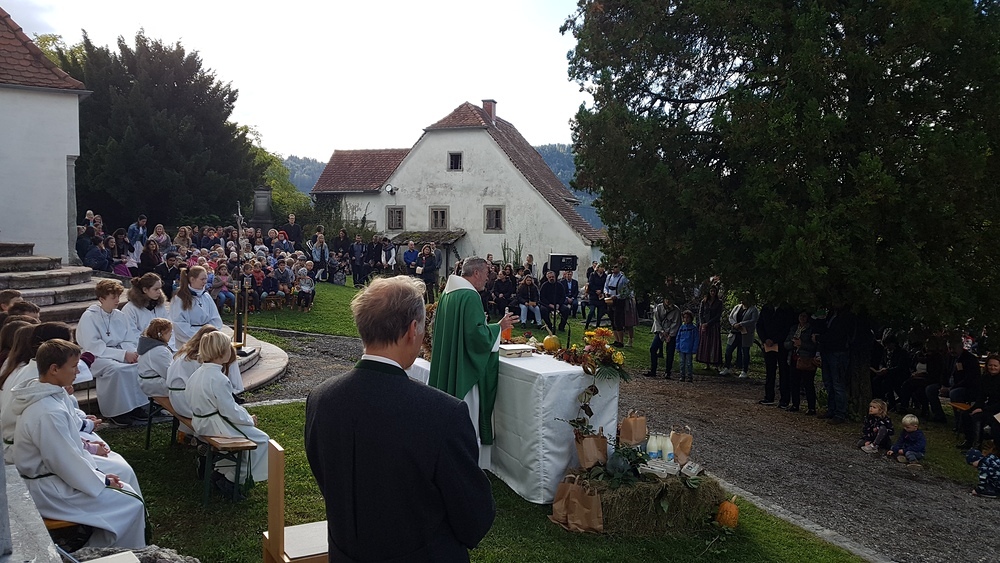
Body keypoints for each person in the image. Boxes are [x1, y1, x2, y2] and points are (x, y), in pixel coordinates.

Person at [305, 276, 496, 561]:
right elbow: (474, 517)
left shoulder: (321, 398)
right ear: (412, 330)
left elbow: (328, 477)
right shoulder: (443, 413)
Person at [10, 339, 147, 548]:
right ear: (54, 369)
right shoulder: (47, 412)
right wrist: (101, 480)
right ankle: (107, 553)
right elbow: (64, 461)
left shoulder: (50, 397)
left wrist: (99, 475)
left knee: (125, 494)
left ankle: (105, 546)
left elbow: (69, 451)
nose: (78, 371)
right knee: (130, 504)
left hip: (55, 479)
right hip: (48, 490)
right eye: (74, 366)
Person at [429, 257, 517, 468]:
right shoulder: (470, 296)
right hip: (464, 368)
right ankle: (467, 463)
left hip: (452, 360)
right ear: (476, 273)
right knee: (468, 414)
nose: (488, 279)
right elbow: (477, 337)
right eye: (486, 274)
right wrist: (499, 327)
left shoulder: (448, 293)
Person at [186, 332, 267, 495]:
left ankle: (221, 472)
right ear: (221, 352)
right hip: (215, 424)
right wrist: (249, 419)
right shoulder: (219, 379)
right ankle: (232, 478)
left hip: (201, 422)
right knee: (262, 440)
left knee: (250, 438)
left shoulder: (197, 374)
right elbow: (229, 411)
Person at [76, 280, 149, 427]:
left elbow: (129, 338)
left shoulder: (120, 316)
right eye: (113, 297)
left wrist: (131, 353)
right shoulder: (89, 316)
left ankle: (135, 406)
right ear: (101, 299)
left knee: (137, 366)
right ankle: (117, 412)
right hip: (96, 357)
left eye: (118, 296)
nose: (117, 300)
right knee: (117, 370)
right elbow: (93, 346)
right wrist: (122, 355)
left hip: (119, 351)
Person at [814, 304, 855, 425]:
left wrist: (820, 338)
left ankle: (840, 413)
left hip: (838, 352)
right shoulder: (831, 314)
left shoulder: (846, 317)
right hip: (827, 350)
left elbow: (836, 335)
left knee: (838, 384)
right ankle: (831, 409)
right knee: (828, 383)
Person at [170, 266, 224, 348]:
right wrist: (199, 337)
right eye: (202, 279)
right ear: (192, 279)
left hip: (208, 340)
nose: (205, 282)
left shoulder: (206, 296)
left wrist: (209, 334)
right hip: (189, 343)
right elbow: (178, 325)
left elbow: (216, 319)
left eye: (206, 279)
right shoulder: (180, 298)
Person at [957, 353, 1000, 450]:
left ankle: (976, 445)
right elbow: (981, 396)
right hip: (988, 406)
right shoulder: (985, 378)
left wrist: (983, 409)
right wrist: (976, 407)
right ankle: (969, 440)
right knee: (966, 414)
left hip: (997, 410)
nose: (992, 367)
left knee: (979, 417)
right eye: (990, 365)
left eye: (995, 365)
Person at [756, 304, 795, 406]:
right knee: (770, 371)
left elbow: (787, 328)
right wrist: (765, 339)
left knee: (784, 372)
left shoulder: (786, 309)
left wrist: (775, 339)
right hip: (768, 344)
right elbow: (759, 325)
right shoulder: (766, 308)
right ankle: (769, 396)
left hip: (781, 345)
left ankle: (784, 399)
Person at [785, 311, 819, 415]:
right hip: (794, 358)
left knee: (808, 383)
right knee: (794, 382)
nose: (802, 318)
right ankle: (795, 404)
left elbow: (814, 346)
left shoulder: (811, 329)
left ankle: (811, 407)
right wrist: (792, 344)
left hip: (806, 359)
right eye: (801, 316)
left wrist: (802, 344)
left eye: (804, 316)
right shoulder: (794, 328)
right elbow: (786, 343)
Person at [122, 273, 169, 343]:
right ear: (145, 290)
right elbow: (131, 333)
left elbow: (168, 328)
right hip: (138, 345)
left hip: (161, 344)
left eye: (160, 288)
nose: (159, 292)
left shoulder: (160, 306)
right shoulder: (130, 308)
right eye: (156, 289)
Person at [720, 294, 759, 378]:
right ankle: (727, 367)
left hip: (745, 334)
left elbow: (753, 320)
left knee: (745, 352)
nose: (742, 300)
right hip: (735, 332)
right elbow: (731, 317)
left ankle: (744, 370)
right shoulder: (737, 307)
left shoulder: (753, 309)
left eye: (744, 298)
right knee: (728, 350)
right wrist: (734, 324)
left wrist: (741, 324)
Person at [137, 318, 173, 398]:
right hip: (156, 385)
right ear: (161, 334)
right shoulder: (159, 351)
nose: (171, 335)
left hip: (148, 383)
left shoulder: (148, 345)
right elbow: (168, 373)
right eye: (169, 332)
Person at [646, 296, 680, 379]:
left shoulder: (676, 310)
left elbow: (676, 323)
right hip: (661, 332)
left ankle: (668, 372)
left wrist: (670, 335)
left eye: (669, 299)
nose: (668, 301)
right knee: (653, 348)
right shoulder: (659, 307)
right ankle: (653, 370)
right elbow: (657, 320)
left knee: (670, 352)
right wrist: (662, 331)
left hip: (670, 333)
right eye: (666, 299)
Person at [696, 285, 723, 368]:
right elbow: (700, 313)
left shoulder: (719, 302)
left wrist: (709, 323)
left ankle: (715, 363)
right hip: (704, 325)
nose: (712, 293)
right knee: (705, 344)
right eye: (711, 291)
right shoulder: (704, 301)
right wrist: (702, 323)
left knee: (714, 344)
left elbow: (718, 315)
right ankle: (706, 363)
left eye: (714, 291)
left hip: (714, 325)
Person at [603, 263, 629, 347]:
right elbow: (605, 287)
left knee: (618, 320)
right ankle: (616, 340)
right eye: (612, 267)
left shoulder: (623, 278)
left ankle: (621, 341)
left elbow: (626, 292)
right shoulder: (609, 277)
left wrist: (617, 296)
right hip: (610, 300)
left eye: (615, 267)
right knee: (612, 319)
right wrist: (606, 293)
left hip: (619, 301)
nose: (613, 268)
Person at [675, 310, 699, 383]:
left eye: (688, 317)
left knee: (689, 363)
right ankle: (682, 375)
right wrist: (677, 347)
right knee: (682, 362)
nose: (686, 319)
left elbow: (696, 339)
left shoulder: (693, 328)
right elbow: (678, 338)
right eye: (684, 317)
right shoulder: (682, 327)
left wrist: (694, 348)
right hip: (682, 347)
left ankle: (689, 376)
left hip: (689, 348)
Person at [584, 264, 607, 329]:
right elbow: (591, 284)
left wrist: (601, 290)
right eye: (601, 267)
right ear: (598, 268)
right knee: (591, 311)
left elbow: (605, 284)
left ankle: (598, 326)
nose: (602, 269)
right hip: (593, 295)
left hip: (601, 296)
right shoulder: (593, 275)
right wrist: (596, 290)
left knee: (600, 313)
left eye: (603, 267)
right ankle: (587, 325)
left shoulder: (605, 276)